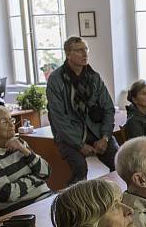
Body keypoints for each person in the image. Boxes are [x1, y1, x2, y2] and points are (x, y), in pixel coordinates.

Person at [46, 37, 118, 183]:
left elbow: (108, 108)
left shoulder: (94, 77)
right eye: (79, 50)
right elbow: (58, 118)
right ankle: (76, 203)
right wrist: (79, 144)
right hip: (69, 135)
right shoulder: (56, 79)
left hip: (96, 131)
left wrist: (104, 137)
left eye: (86, 49)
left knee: (120, 161)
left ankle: (116, 195)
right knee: (80, 168)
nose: (85, 54)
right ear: (68, 54)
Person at [0, 105, 52, 213]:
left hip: (46, 199)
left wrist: (25, 151)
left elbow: (47, 172)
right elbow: (8, 194)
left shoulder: (19, 143)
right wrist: (35, 178)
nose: (12, 124)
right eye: (4, 121)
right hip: (21, 210)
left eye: (11, 119)